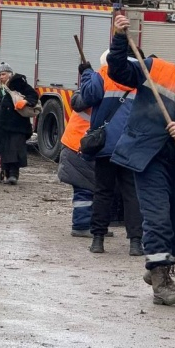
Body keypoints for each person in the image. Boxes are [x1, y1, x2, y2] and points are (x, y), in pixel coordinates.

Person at [108, 14, 175, 306]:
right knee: (157, 219)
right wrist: (119, 38)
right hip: (147, 157)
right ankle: (161, 280)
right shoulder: (157, 69)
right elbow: (118, 71)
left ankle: (160, 265)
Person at [80, 50, 143, 256]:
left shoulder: (103, 73)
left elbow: (88, 97)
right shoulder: (141, 75)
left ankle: (98, 240)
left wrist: (87, 74)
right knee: (132, 194)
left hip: (105, 144)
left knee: (103, 192)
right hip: (131, 145)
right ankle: (135, 243)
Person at [0, 63, 38, 185]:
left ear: (10, 73)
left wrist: (25, 101)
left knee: (15, 148)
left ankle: (14, 174)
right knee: (3, 149)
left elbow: (33, 96)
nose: (1, 77)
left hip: (16, 124)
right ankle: (6, 174)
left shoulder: (19, 83)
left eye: (3, 74)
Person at [57, 71, 98, 238]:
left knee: (88, 189)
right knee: (85, 190)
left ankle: (90, 224)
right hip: (81, 147)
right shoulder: (101, 91)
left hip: (75, 144)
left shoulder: (89, 90)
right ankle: (81, 225)